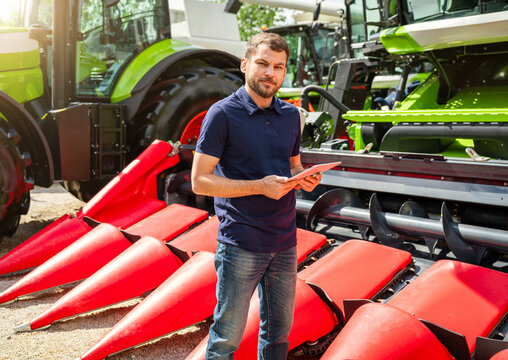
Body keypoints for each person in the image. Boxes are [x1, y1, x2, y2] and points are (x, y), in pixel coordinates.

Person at [191, 32, 322, 360]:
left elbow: (293, 167)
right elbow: (199, 182)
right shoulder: (222, 114)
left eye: (279, 67)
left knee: (278, 336)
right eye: (263, 64)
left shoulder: (293, 116)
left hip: (285, 242)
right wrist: (259, 186)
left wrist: (304, 180)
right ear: (245, 64)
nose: (270, 73)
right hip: (240, 243)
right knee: (225, 340)